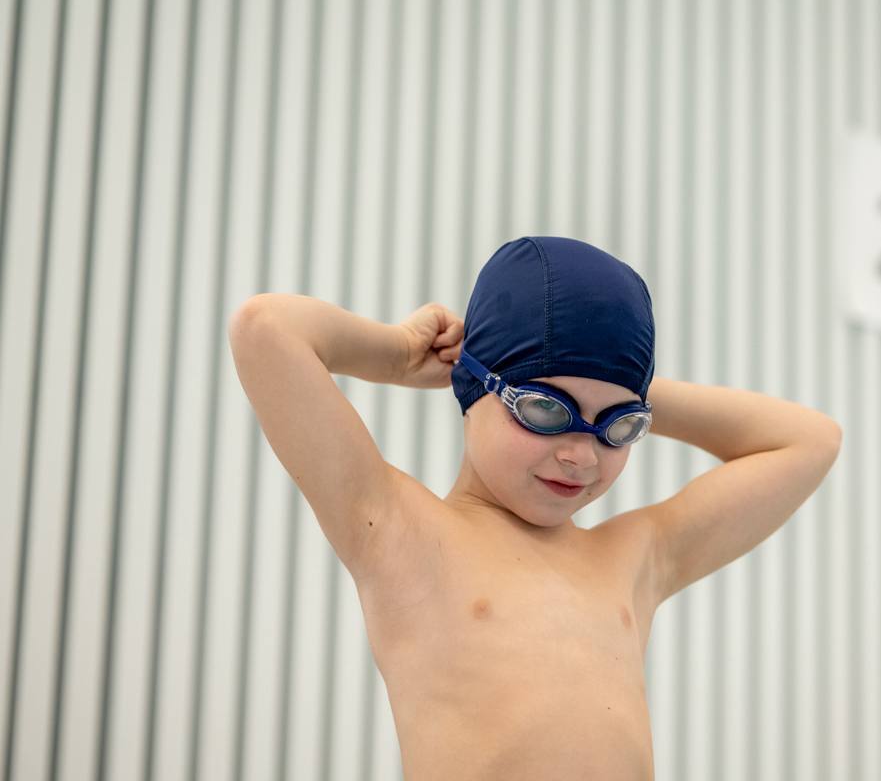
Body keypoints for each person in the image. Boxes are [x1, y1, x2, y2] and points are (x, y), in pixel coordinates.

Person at [228, 235, 842, 779]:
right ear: (474, 384)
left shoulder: (634, 558)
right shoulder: (400, 532)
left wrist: (623, 381)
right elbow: (266, 328)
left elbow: (811, 440)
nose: (581, 455)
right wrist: (396, 353)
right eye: (545, 409)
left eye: (618, 427)